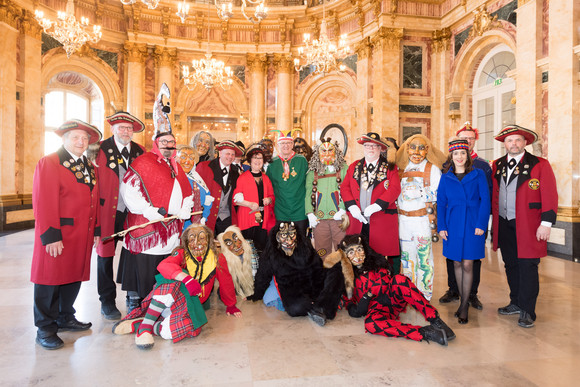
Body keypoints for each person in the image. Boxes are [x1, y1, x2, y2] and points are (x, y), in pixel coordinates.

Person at [118, 84, 195, 312]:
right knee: (144, 267)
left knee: (163, 267)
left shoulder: (177, 166)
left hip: (171, 229)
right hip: (147, 227)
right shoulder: (143, 162)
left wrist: (185, 209)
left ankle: (160, 301)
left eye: (172, 143)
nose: (169, 147)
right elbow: (130, 191)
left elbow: (186, 192)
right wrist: (152, 212)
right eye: (164, 143)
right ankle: (139, 301)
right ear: (156, 143)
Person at [31, 119, 102, 350]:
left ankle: (65, 317)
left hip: (81, 234)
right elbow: (44, 202)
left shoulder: (89, 166)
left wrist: (96, 230)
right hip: (59, 234)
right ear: (65, 139)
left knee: (73, 276)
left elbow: (94, 201)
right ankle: (45, 328)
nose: (81, 142)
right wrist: (51, 235)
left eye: (85, 138)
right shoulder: (50, 162)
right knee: (49, 280)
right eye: (75, 137)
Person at [112, 224, 241, 349]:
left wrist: (231, 304)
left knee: (185, 330)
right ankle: (145, 328)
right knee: (170, 280)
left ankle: (140, 325)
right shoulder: (181, 253)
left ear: (209, 240)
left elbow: (226, 281)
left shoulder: (218, 257)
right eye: (192, 238)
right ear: (186, 241)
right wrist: (186, 279)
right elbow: (163, 265)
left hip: (191, 305)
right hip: (168, 300)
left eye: (202, 238)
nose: (198, 242)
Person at [324, 235, 456, 346]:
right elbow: (355, 310)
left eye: (359, 249)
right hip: (376, 310)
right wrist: (365, 299)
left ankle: (435, 319)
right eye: (351, 252)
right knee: (370, 324)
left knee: (400, 280)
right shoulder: (346, 279)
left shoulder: (377, 263)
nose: (357, 255)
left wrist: (368, 295)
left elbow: (384, 283)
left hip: (391, 298)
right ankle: (425, 332)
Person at [492, 125, 558, 328]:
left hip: (530, 225)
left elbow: (549, 195)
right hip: (504, 222)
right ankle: (516, 302)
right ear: (505, 144)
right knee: (511, 264)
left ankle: (528, 310)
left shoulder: (539, 164)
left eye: (518, 140)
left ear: (525, 143)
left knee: (528, 266)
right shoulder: (498, 165)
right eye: (510, 140)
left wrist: (546, 223)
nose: (514, 144)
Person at [96, 111, 146, 320]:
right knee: (105, 258)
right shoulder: (99, 149)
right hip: (108, 212)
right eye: (122, 128)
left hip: (132, 214)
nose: (126, 132)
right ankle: (107, 301)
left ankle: (132, 295)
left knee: (134, 255)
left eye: (129, 128)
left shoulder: (140, 150)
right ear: (113, 129)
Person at [437, 139, 490, 324]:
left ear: (468, 155)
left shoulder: (479, 174)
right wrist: (441, 226)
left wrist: (482, 224)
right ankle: (462, 301)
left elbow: (485, 200)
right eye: (456, 153)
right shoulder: (445, 177)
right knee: (456, 264)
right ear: (451, 156)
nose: (459, 157)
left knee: (468, 264)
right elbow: (441, 203)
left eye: (463, 153)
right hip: (452, 224)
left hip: (472, 223)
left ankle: (465, 304)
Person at [248, 222, 342, 326]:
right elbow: (263, 275)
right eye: (283, 236)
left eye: (292, 234)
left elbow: (317, 268)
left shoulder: (305, 246)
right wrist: (257, 294)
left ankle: (321, 306)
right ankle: (321, 306)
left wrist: (317, 292)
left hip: (312, 282)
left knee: (336, 271)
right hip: (292, 290)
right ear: (276, 238)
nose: (288, 240)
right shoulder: (271, 253)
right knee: (295, 308)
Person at [395, 134, 446, 301]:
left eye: (421, 148)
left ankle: (424, 294)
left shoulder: (432, 169)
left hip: (422, 220)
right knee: (407, 258)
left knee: (424, 258)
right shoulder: (401, 168)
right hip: (403, 221)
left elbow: (440, 193)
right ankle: (409, 293)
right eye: (412, 147)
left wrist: (421, 193)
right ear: (406, 149)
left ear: (427, 150)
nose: (416, 152)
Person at [341, 133, 401, 271]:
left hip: (381, 219)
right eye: (367, 146)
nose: (371, 149)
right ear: (363, 148)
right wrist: (352, 207)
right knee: (356, 255)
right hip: (358, 220)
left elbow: (395, 188)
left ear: (381, 149)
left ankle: (381, 286)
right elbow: (344, 188)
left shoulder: (390, 167)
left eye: (375, 146)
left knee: (381, 258)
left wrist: (377, 205)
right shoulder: (354, 166)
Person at [305, 139, 348, 260]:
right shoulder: (312, 172)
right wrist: (309, 214)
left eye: (330, 150)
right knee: (322, 253)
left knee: (342, 252)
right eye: (323, 151)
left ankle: (343, 278)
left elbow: (348, 190)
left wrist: (343, 209)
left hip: (339, 220)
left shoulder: (344, 169)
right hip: (319, 220)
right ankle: (324, 277)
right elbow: (308, 193)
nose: (327, 154)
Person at [232, 143, 275, 253]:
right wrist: (250, 204)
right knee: (247, 251)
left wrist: (269, 200)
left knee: (261, 250)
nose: (257, 160)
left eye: (260, 158)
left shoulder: (266, 178)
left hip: (262, 219)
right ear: (249, 161)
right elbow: (235, 199)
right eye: (255, 158)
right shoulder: (242, 177)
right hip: (247, 218)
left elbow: (272, 196)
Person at [196, 140, 243, 235]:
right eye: (228, 153)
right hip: (207, 216)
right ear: (220, 153)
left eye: (233, 154)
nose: (230, 157)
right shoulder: (204, 167)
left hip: (226, 218)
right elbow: (195, 189)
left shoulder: (235, 171)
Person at [266, 131, 309, 234]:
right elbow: (268, 186)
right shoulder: (272, 163)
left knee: (301, 242)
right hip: (280, 210)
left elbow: (309, 182)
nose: (286, 146)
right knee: (281, 242)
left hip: (300, 210)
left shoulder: (302, 160)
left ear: (292, 145)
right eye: (282, 143)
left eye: (288, 143)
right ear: (277, 145)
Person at [176, 145, 213, 228]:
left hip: (196, 225)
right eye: (183, 157)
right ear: (176, 159)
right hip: (178, 225)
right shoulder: (173, 178)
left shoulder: (196, 177)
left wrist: (204, 217)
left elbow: (208, 198)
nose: (187, 162)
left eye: (191, 158)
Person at [217, 225, 258, 298]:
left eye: (236, 239)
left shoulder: (249, 247)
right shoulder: (225, 258)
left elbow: (257, 270)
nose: (237, 245)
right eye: (229, 243)